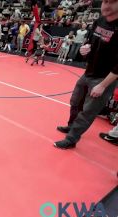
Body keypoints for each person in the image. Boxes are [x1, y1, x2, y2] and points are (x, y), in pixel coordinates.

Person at [54, 0, 118, 149]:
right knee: (75, 101)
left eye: (112, 2)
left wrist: (102, 85)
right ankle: (71, 126)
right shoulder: (99, 21)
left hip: (104, 79)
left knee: (88, 112)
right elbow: (90, 43)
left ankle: (71, 139)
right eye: (105, 1)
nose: (106, 5)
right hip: (88, 73)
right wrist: (84, 50)